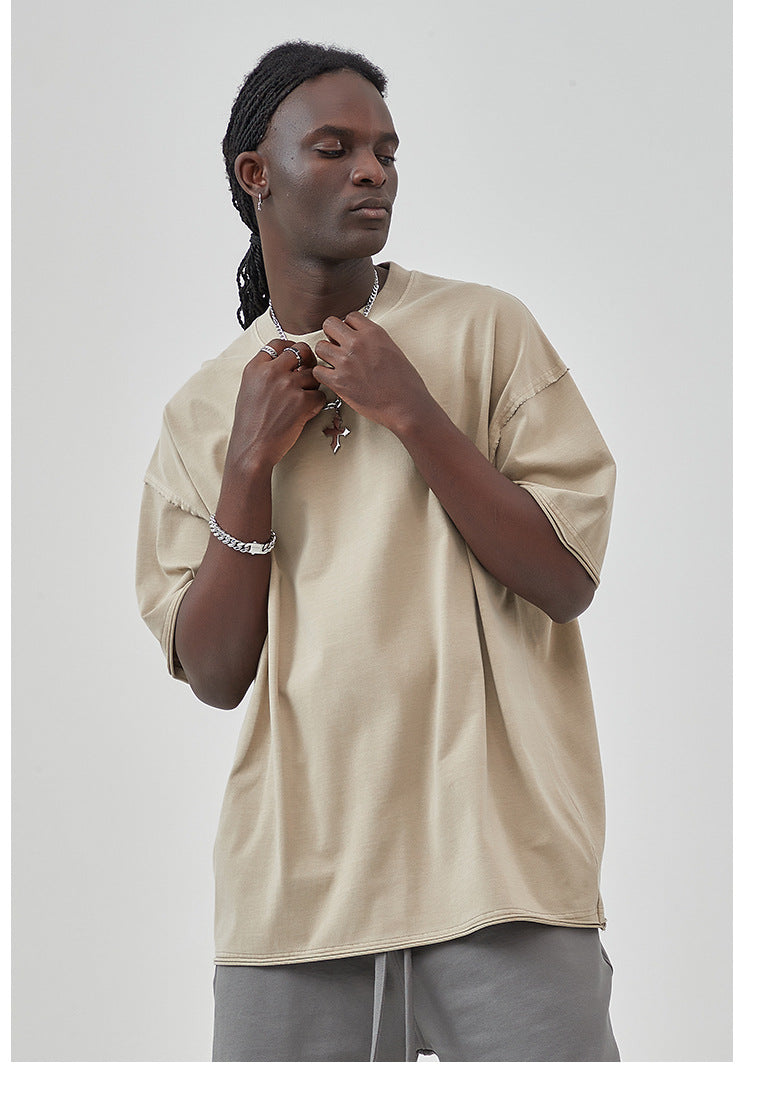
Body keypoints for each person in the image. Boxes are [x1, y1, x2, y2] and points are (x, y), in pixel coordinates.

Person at [135, 40, 621, 1062]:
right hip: (296, 903)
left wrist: (413, 411)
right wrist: (246, 465)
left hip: (503, 878)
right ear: (256, 173)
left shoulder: (486, 331)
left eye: (386, 152)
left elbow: (566, 577)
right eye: (336, 148)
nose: (373, 172)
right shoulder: (204, 410)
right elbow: (216, 672)